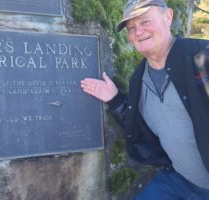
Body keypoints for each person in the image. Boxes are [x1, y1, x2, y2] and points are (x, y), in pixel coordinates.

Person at [80, 0, 209, 199]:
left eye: (145, 21)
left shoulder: (203, 57)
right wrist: (115, 99)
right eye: (131, 28)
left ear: (168, 17)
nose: (138, 31)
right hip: (177, 180)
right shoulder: (137, 80)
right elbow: (141, 127)